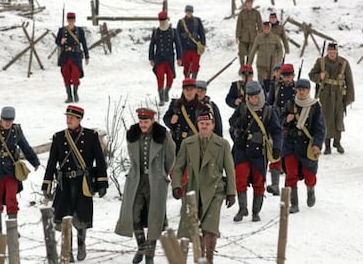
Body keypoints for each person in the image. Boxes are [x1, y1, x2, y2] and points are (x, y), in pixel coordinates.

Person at [41, 105, 108, 261]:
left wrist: (102, 183)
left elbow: (100, 161)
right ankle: (68, 250)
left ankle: (81, 244)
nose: (68, 120)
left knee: (82, 217)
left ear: (79, 119)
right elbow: (51, 163)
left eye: (72, 118)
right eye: (67, 117)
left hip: (83, 183)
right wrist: (47, 184)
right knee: (65, 216)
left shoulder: (91, 136)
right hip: (64, 184)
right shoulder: (59, 137)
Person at [171, 110, 236, 264]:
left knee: (210, 228)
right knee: (188, 228)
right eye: (202, 124)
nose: (204, 126)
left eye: (207, 124)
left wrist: (231, 192)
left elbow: (230, 169)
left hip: (215, 191)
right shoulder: (188, 143)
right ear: (197, 125)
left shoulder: (223, 144)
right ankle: (185, 259)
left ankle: (208, 260)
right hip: (192, 191)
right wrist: (177, 185)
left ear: (213, 125)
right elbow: (179, 167)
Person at [115, 108, 175, 264]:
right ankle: (142, 247)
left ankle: (150, 256)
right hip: (137, 180)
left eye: (146, 122)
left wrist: (163, 174)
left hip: (156, 181)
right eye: (141, 121)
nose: (142, 124)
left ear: (152, 121)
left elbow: (170, 156)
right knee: (133, 215)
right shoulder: (133, 134)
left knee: (154, 219)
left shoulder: (162, 135)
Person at [0, 106, 40, 239]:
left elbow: (25, 147)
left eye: (10, 121)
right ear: (1, 118)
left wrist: (35, 161)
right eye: (5, 120)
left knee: (12, 200)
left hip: (11, 171)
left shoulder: (16, 130)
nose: (7, 123)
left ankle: (12, 230)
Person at [229, 81, 282, 222]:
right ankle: (242, 208)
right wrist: (238, 125)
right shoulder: (242, 108)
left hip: (259, 152)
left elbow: (277, 131)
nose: (253, 99)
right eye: (251, 97)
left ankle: (255, 211)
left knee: (259, 181)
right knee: (240, 178)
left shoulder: (268, 111)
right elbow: (232, 122)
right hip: (242, 150)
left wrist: (277, 147)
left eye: (256, 96)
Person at [280, 79, 326, 213]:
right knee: (291, 174)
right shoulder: (290, 104)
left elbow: (320, 128)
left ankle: (310, 189)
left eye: (304, 90)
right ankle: (294, 204)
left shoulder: (315, 106)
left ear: (308, 91)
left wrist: (317, 144)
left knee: (309, 175)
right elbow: (280, 120)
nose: (301, 92)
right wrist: (285, 120)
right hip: (290, 144)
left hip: (307, 146)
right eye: (299, 89)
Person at [308, 42, 355, 154]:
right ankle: (327, 144)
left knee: (339, 118)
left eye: (334, 52)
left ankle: (337, 142)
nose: (332, 54)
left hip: (339, 95)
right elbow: (311, 75)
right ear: (327, 52)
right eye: (330, 52)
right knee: (326, 119)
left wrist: (350, 97)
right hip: (325, 95)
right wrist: (320, 76)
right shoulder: (321, 62)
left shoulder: (343, 63)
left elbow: (349, 81)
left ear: (337, 52)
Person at [266, 63, 297, 195]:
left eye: (289, 76)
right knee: (275, 150)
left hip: (292, 124)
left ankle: (287, 187)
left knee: (288, 156)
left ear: (293, 76)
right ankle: (275, 184)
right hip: (277, 121)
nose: (287, 78)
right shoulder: (276, 86)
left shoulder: (298, 88)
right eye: (284, 76)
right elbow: (270, 102)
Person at [163, 78, 207, 154]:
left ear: (195, 90)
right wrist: (171, 121)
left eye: (191, 89)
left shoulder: (202, 107)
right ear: (183, 91)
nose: (189, 92)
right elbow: (166, 117)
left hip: (195, 144)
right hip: (177, 143)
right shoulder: (176, 104)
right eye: (186, 90)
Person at [149, 11, 182, 106]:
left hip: (169, 58)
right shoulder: (156, 32)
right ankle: (161, 97)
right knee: (160, 77)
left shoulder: (173, 31)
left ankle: (166, 91)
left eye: (164, 20)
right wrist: (151, 58)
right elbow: (152, 45)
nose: (162, 22)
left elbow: (178, 44)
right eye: (161, 21)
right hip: (159, 59)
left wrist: (179, 58)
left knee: (170, 77)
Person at [56, 12, 89, 103]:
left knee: (75, 75)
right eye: (69, 20)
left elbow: (84, 44)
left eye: (72, 20)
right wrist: (61, 42)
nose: (71, 21)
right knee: (66, 76)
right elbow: (57, 41)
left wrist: (87, 56)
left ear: (74, 20)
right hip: (65, 56)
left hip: (76, 56)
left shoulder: (79, 31)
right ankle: (69, 96)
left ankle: (75, 93)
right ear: (67, 20)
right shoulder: (62, 30)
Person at [248, 21, 283, 86]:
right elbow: (253, 51)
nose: (266, 29)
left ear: (270, 28)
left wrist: (279, 59)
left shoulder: (275, 38)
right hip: (261, 65)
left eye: (268, 28)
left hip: (273, 65)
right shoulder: (258, 38)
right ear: (263, 28)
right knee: (262, 84)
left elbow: (280, 49)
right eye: (265, 28)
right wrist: (249, 64)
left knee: (272, 83)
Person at [176, 5, 205, 79]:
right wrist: (183, 36)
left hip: (195, 47)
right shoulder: (181, 22)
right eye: (187, 11)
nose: (189, 13)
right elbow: (177, 35)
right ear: (185, 12)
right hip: (185, 48)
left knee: (195, 65)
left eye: (190, 12)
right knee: (186, 65)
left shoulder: (197, 21)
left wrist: (202, 44)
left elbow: (202, 33)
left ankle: (194, 79)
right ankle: (187, 80)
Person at [235, 0, 262, 72]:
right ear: (245, 4)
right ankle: (242, 67)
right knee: (241, 53)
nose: (249, 5)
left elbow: (260, 25)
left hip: (253, 37)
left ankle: (248, 67)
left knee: (251, 54)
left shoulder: (256, 13)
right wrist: (237, 36)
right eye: (248, 3)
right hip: (243, 37)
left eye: (250, 3)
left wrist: (260, 36)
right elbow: (239, 25)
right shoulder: (242, 13)